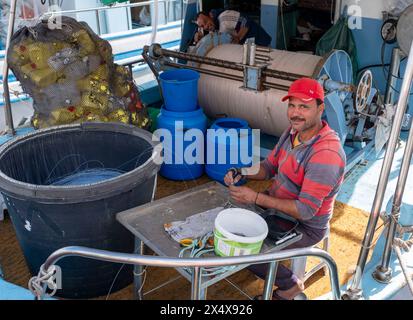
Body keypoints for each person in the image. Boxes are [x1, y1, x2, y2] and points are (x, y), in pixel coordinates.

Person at [224, 77, 346, 300]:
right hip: (275, 209)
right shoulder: (293, 133)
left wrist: (256, 197)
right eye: (292, 105)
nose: (295, 113)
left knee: (244, 251)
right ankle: (271, 267)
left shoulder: (326, 154)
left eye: (304, 106)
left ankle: (290, 285)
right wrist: (243, 171)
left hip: (305, 225)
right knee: (229, 230)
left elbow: (305, 211)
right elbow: (269, 167)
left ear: (321, 108)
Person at [194, 9, 272, 47]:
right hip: (248, 46)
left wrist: (238, 37)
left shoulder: (224, 17)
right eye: (202, 26)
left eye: (206, 21)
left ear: (210, 16)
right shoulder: (214, 28)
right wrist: (201, 39)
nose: (206, 26)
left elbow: (246, 20)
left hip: (260, 41)